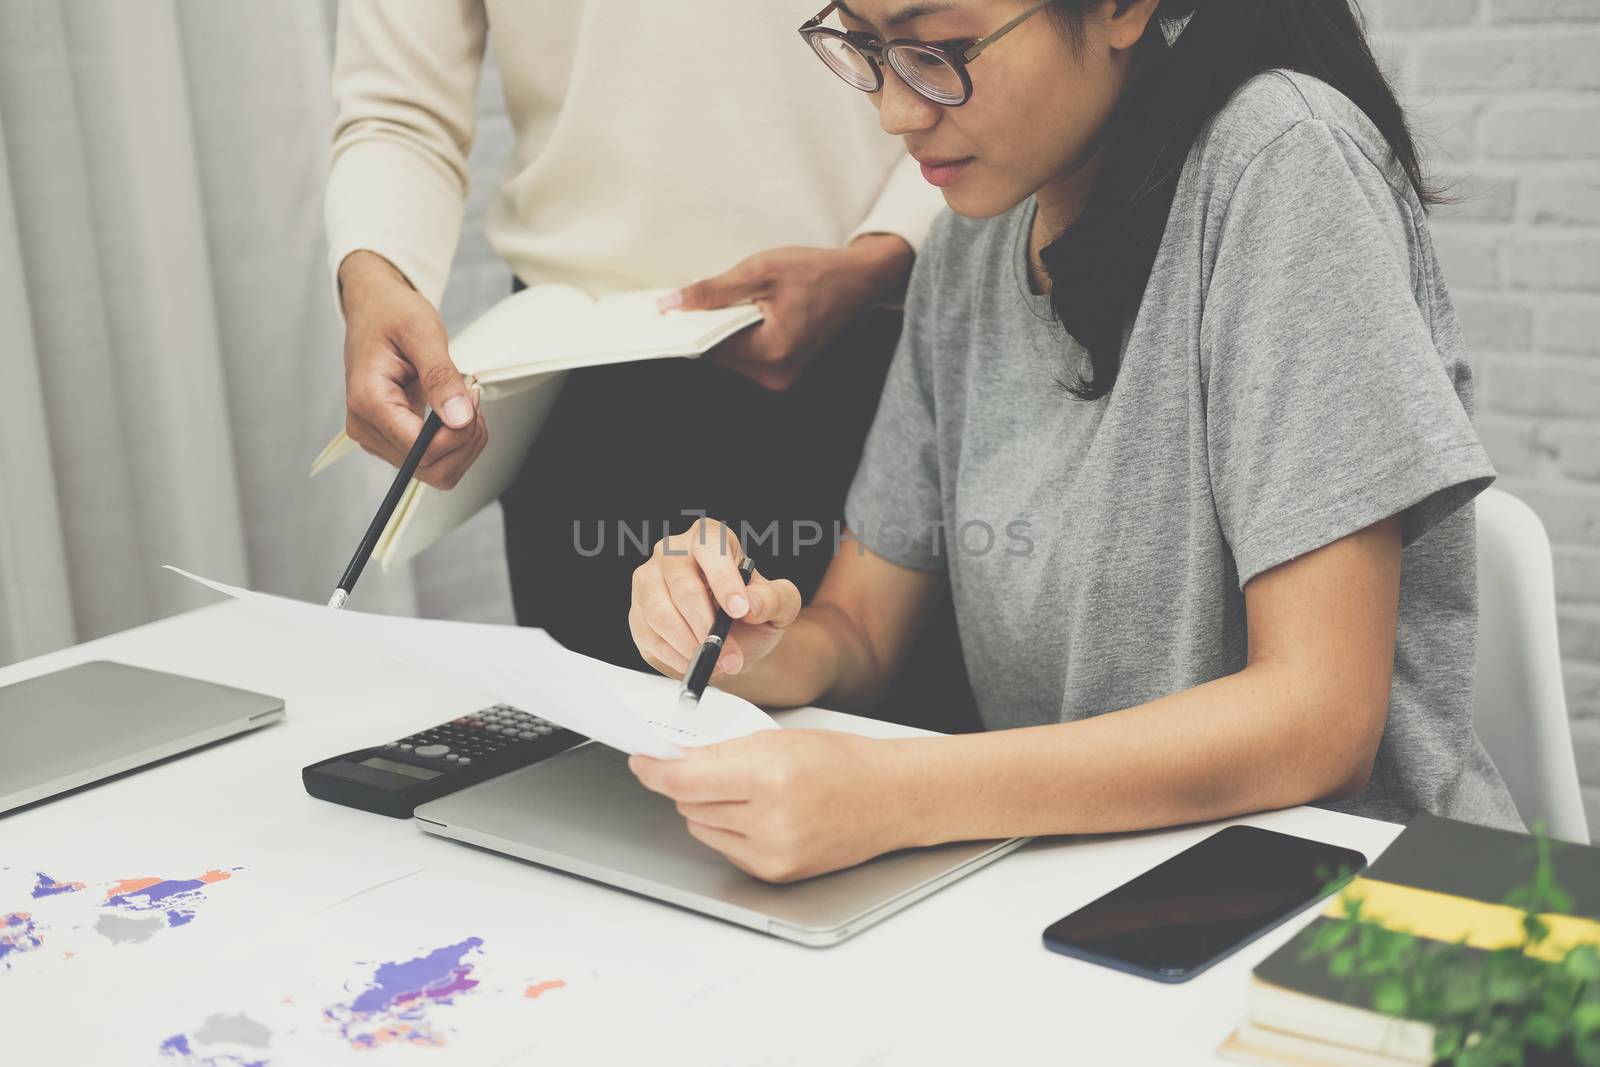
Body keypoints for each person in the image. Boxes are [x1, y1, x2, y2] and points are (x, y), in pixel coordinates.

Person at [625, 0, 1524, 884]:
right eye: (863, 45)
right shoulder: (965, 252)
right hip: (1096, 889)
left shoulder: (1282, 162)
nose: (897, 111)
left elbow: (1319, 721)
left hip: (1367, 909)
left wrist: (899, 794)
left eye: (936, 47)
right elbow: (857, 630)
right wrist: (743, 643)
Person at [326, 2, 978, 733]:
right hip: (577, 383)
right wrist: (375, 277)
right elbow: (396, 104)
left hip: (876, 335)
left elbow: (985, 51)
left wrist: (887, 253)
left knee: (898, 740)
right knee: (591, 776)